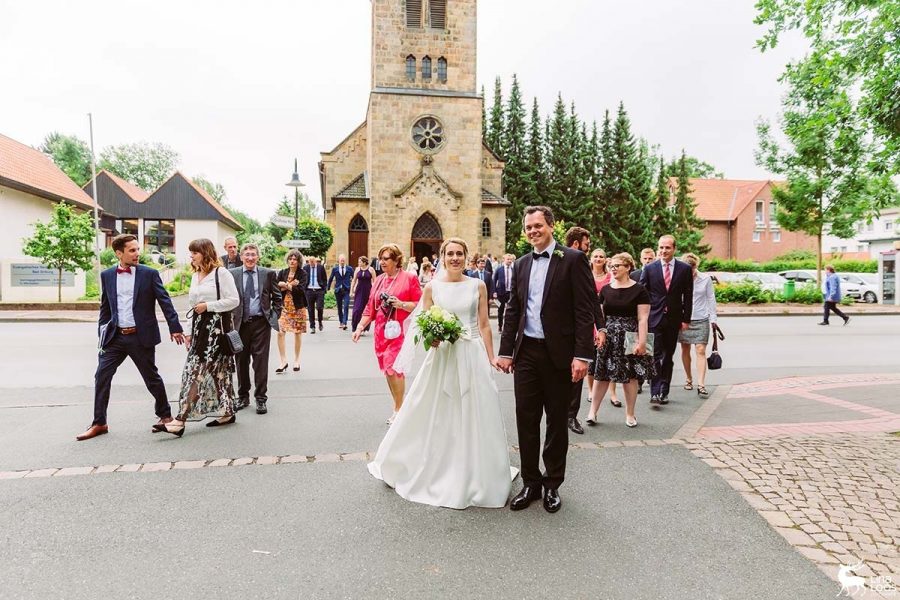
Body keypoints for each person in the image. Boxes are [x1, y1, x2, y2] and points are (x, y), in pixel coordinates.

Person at [367, 237, 514, 509]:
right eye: (450, 254)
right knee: (435, 409)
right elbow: (422, 322)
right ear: (443, 258)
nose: (455, 258)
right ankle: (433, 464)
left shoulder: (478, 285)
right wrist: (432, 337)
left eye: (460, 253)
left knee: (474, 409)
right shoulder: (432, 287)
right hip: (443, 355)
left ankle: (475, 470)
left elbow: (483, 325)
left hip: (471, 353)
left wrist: (490, 355)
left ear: (467, 257)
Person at [496, 206, 595, 514]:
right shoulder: (522, 263)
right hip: (526, 353)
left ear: (551, 226)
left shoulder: (573, 260)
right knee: (525, 419)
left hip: (560, 355)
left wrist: (582, 355)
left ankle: (552, 484)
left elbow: (584, 309)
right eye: (528, 227)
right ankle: (531, 482)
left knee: (555, 422)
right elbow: (514, 308)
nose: (532, 231)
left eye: (538, 225)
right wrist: (505, 350)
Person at [77, 234, 185, 441]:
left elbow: (165, 301)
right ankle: (99, 423)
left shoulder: (149, 274)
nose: (137, 253)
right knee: (101, 376)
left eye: (137, 249)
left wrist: (175, 327)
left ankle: (165, 416)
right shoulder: (107, 275)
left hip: (140, 336)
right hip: (115, 338)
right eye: (132, 250)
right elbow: (105, 308)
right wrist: (102, 333)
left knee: (151, 377)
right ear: (119, 253)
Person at [156, 239, 240, 437]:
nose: (191, 256)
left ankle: (180, 420)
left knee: (196, 373)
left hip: (217, 332)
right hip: (200, 329)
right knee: (217, 374)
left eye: (194, 252)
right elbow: (192, 307)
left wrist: (208, 306)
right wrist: (188, 332)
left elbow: (234, 300)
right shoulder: (195, 276)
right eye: (190, 252)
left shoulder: (222, 273)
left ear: (205, 252)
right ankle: (227, 412)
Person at [352, 243, 423, 425]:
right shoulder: (380, 280)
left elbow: (420, 304)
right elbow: (370, 307)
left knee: (394, 368)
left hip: (400, 330)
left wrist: (401, 304)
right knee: (388, 371)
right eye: (380, 258)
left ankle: (399, 411)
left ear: (396, 260)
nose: (382, 262)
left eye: (386, 259)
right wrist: (360, 327)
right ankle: (398, 406)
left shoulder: (409, 278)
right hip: (381, 332)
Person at [587, 252, 655, 429]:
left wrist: (641, 342)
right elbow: (600, 316)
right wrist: (598, 333)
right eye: (612, 266)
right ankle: (592, 412)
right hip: (608, 336)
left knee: (630, 377)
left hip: (629, 336)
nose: (613, 268)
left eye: (617, 265)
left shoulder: (639, 290)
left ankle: (630, 414)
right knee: (601, 374)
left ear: (628, 267)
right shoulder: (606, 290)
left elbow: (642, 319)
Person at [640, 235, 693, 406]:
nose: (663, 251)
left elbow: (688, 296)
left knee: (668, 356)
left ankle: (664, 390)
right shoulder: (650, 268)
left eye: (667, 248)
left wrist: (686, 319)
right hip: (654, 318)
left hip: (674, 319)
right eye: (661, 247)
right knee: (654, 356)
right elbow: (642, 294)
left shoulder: (684, 269)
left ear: (674, 249)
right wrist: (643, 317)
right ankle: (655, 392)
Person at [230, 243, 282, 415]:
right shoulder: (233, 274)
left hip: (261, 324)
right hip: (240, 325)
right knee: (241, 362)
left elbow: (277, 297)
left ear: (258, 257)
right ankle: (243, 397)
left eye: (253, 254)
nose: (250, 258)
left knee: (260, 363)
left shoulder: (268, 274)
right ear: (242, 257)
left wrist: (274, 316)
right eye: (247, 255)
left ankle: (261, 399)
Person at [564, 226, 592, 436]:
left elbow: (589, 301)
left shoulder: (582, 263)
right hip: (556, 332)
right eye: (586, 245)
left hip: (577, 331)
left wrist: (599, 327)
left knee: (576, 377)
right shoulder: (558, 260)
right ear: (576, 244)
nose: (588, 249)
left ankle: (571, 415)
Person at [678, 253, 717, 399]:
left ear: (696, 266)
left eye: (692, 269)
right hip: (684, 319)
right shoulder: (679, 279)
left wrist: (713, 319)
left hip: (701, 318)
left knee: (700, 350)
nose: (690, 272)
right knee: (685, 348)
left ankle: (701, 385)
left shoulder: (705, 279)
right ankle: (689, 378)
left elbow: (710, 298)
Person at [276, 250, 309, 373]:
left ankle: (297, 360)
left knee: (297, 333)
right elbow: (276, 286)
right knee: (280, 332)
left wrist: (285, 285)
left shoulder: (303, 274)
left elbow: (301, 290)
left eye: (295, 259)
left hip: (298, 307)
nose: (292, 261)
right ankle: (283, 361)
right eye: (290, 258)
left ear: (298, 261)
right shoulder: (283, 272)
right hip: (284, 307)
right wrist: (290, 285)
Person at [629, 247, 656, 393]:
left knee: (651, 349)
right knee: (637, 348)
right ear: (640, 259)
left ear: (654, 258)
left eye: (650, 258)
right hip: (636, 317)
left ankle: (652, 379)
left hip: (653, 316)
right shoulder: (634, 275)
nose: (647, 261)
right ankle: (638, 380)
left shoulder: (657, 273)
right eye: (645, 258)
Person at [328, 254, 354, 330]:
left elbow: (354, 278)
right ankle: (341, 322)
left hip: (347, 290)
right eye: (341, 260)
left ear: (345, 260)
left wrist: (353, 287)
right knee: (339, 307)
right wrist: (328, 288)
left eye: (343, 260)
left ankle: (345, 322)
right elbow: (331, 278)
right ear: (338, 260)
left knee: (346, 306)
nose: (342, 261)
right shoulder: (335, 269)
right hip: (338, 290)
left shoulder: (349, 268)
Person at [350, 256, 375, 333]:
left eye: (360, 262)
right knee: (357, 310)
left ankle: (364, 327)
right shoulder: (357, 269)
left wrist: (374, 292)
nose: (358, 263)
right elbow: (354, 281)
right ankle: (355, 326)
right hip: (359, 291)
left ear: (364, 262)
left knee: (366, 310)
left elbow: (375, 281)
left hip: (368, 291)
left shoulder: (371, 269)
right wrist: (351, 291)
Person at [492, 253, 515, 334]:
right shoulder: (499, 269)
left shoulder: (513, 269)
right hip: (501, 293)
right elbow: (494, 281)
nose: (509, 261)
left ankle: (509, 327)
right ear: (504, 260)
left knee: (510, 311)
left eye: (511, 259)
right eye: (508, 259)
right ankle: (500, 326)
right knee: (500, 310)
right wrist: (494, 291)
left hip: (511, 293)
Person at [303, 256, 327, 333]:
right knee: (310, 309)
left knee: (320, 307)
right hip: (309, 290)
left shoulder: (321, 267)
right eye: (310, 262)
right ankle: (312, 326)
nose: (311, 264)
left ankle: (320, 321)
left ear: (315, 261)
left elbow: (324, 279)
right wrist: (304, 289)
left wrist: (324, 289)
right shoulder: (306, 268)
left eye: (312, 262)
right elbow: (303, 279)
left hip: (319, 290)